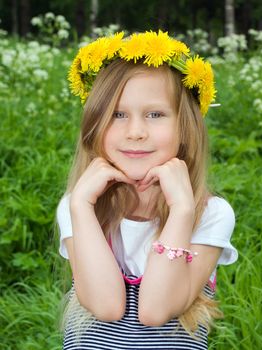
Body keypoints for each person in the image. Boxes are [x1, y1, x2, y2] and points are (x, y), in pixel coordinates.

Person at [56, 30, 238, 350]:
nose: (136, 132)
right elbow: (107, 306)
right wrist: (82, 207)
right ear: (95, 124)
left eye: (155, 114)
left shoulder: (209, 213)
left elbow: (156, 311)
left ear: (185, 127)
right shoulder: (79, 206)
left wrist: (181, 211)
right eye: (117, 114)